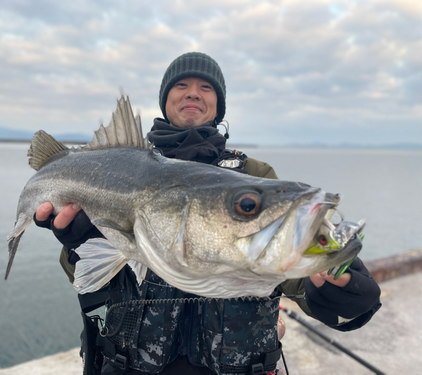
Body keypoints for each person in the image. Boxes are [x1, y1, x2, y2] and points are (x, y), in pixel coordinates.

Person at [34, 52, 382, 375]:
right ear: (165, 99)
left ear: (219, 104)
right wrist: (79, 243)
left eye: (206, 87)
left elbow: (285, 270)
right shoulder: (116, 168)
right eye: (181, 85)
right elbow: (91, 280)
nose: (193, 93)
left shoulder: (255, 175)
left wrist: (333, 291)